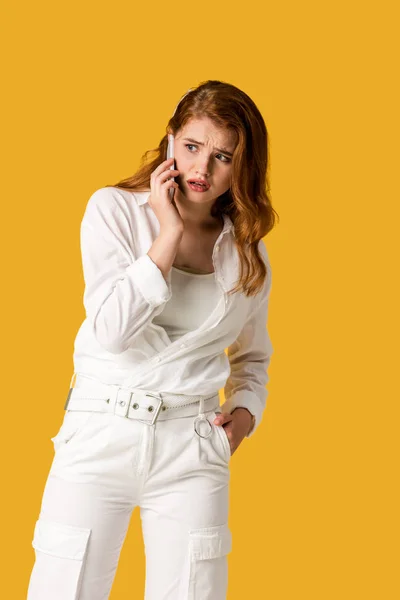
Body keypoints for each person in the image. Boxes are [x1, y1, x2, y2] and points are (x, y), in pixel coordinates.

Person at [27, 79, 278, 600]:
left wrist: (247, 413)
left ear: (242, 166)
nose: (201, 170)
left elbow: (252, 357)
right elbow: (113, 330)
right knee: (62, 589)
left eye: (222, 156)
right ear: (170, 143)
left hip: (193, 446)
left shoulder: (249, 255)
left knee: (193, 592)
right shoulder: (112, 211)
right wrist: (166, 236)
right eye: (191, 147)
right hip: (100, 432)